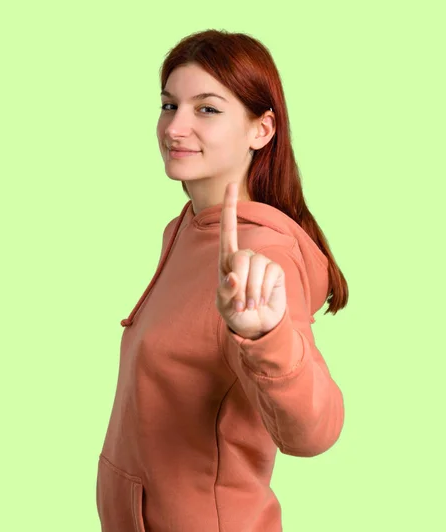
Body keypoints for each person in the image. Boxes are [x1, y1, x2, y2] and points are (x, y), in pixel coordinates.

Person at [96, 29, 348, 532]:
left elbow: (314, 430)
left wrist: (266, 336)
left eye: (206, 109)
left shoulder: (262, 254)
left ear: (262, 129)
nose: (175, 127)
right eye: (169, 105)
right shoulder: (187, 227)